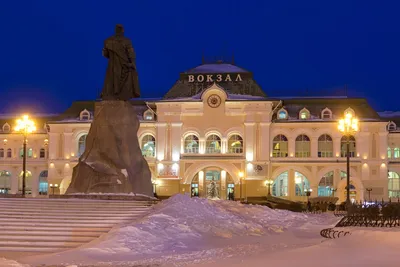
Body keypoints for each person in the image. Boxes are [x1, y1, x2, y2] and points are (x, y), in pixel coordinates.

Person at [101, 24, 140, 100]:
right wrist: (133, 63)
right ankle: (120, 95)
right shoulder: (126, 41)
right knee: (126, 80)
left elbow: (105, 54)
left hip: (112, 66)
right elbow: (131, 53)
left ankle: (113, 94)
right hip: (124, 65)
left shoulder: (108, 41)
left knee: (111, 81)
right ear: (122, 31)